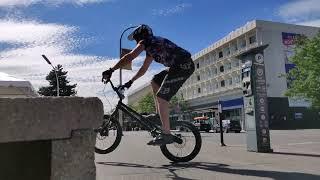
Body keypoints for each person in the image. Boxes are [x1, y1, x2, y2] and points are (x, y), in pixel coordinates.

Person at [102, 24, 195, 145]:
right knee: (155, 80)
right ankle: (158, 115)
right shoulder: (151, 48)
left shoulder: (147, 41)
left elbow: (130, 56)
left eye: (136, 39)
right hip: (176, 67)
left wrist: (111, 70)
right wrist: (130, 82)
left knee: (162, 97)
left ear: (141, 35)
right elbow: (144, 69)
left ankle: (167, 134)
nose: (136, 42)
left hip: (184, 66)